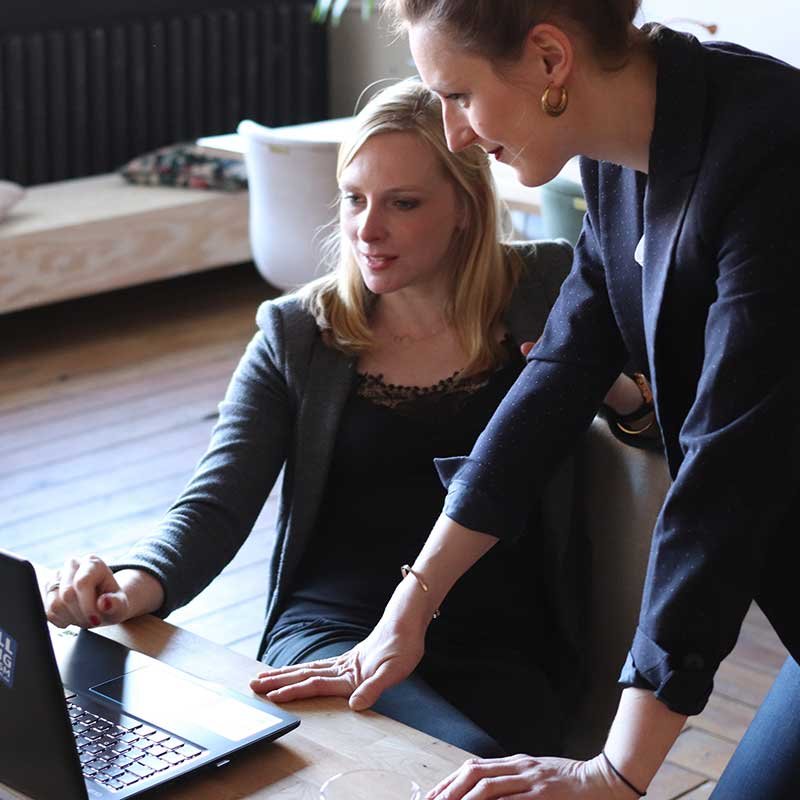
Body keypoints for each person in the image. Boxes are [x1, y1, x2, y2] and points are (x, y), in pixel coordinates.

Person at [254, 2, 800, 798]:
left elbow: (726, 478)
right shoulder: (621, 156)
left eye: (459, 96)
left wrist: (614, 773)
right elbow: (557, 377)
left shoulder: (772, 154)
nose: (454, 135)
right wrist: (409, 609)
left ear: (549, 58)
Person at [43, 78, 647, 759]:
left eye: (403, 203)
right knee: (436, 762)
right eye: (354, 198)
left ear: (465, 207)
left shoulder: (549, 287)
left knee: (466, 762)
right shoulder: (298, 333)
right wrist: (129, 585)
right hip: (332, 632)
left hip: (504, 643)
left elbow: (664, 431)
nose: (367, 228)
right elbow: (215, 504)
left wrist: (613, 390)